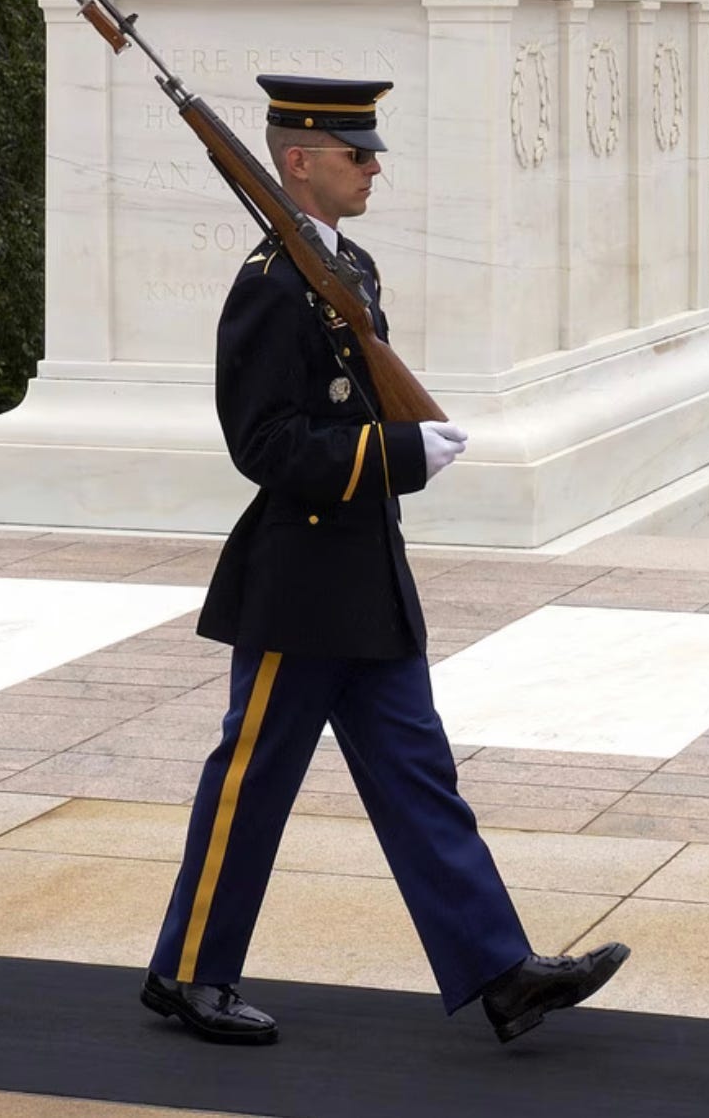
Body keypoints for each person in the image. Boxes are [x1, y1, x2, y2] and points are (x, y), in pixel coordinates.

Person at [141, 74, 629, 1046]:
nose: (372, 168)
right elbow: (263, 444)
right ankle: (187, 973)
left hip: (365, 577)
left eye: (370, 153)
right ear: (296, 162)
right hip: (299, 584)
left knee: (418, 776)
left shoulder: (347, 267)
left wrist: (395, 448)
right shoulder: (271, 285)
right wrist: (396, 454)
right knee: (252, 781)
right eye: (355, 154)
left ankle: (499, 971)